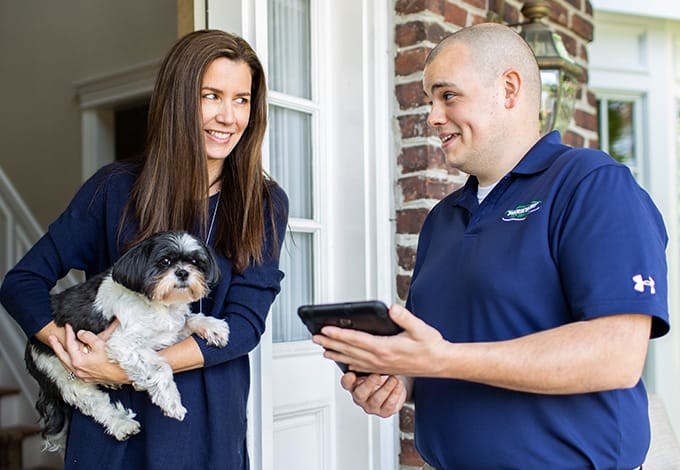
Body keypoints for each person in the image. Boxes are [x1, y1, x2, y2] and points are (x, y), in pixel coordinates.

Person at [313, 23, 669, 469]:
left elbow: (616, 356)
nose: (433, 117)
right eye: (429, 100)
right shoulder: (442, 219)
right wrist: (397, 378)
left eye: (447, 95)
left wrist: (442, 360)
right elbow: (440, 348)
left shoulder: (591, 184)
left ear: (509, 89)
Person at [0, 30, 288, 470]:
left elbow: (245, 325)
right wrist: (75, 352)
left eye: (242, 100)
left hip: (206, 425)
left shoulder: (263, 203)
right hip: (111, 440)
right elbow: (21, 282)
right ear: (178, 99)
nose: (229, 116)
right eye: (211, 95)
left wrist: (132, 369)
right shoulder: (114, 188)